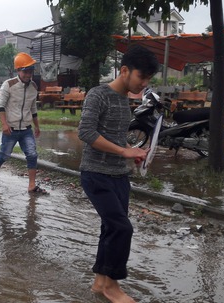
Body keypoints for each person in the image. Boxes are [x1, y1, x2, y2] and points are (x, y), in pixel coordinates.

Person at [78, 44, 158, 303]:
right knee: (122, 228)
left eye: (148, 79)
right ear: (125, 70)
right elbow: (87, 133)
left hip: (119, 176)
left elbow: (116, 138)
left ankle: (100, 282)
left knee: (110, 228)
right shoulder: (98, 94)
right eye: (141, 77)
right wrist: (124, 152)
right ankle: (112, 286)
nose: (144, 84)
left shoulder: (125, 101)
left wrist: (133, 152)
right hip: (95, 173)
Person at [0, 52, 47, 195]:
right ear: (18, 70)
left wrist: (37, 126)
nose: (28, 74)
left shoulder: (33, 86)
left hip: (26, 129)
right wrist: (4, 124)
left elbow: (33, 108)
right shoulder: (8, 85)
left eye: (30, 71)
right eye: (25, 71)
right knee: (4, 155)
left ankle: (32, 186)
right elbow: (0, 106)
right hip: (10, 129)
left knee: (32, 155)